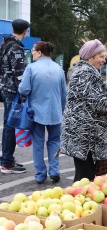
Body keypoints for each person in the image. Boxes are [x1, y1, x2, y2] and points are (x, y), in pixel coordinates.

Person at [60, 39, 107, 182]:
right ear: (90, 57)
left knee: (85, 175)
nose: (104, 60)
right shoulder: (85, 73)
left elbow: (92, 99)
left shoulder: (85, 71)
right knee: (85, 177)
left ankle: (78, 200)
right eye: (101, 56)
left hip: (84, 134)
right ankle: (77, 201)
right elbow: (96, 102)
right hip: (84, 135)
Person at [18, 41, 67, 184]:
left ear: (39, 52)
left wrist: (20, 86)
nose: (31, 53)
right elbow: (64, 94)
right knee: (55, 142)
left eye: (33, 51)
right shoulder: (59, 69)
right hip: (56, 113)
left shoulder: (31, 68)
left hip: (37, 113)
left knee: (38, 144)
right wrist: (61, 108)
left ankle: (40, 174)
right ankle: (54, 170)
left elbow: (24, 89)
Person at [0, 19, 30, 174]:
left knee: (7, 125)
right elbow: (20, 75)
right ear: (25, 31)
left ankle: (6, 159)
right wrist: (24, 97)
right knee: (11, 126)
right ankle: (7, 163)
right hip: (13, 91)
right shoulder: (16, 48)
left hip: (5, 89)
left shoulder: (4, 44)